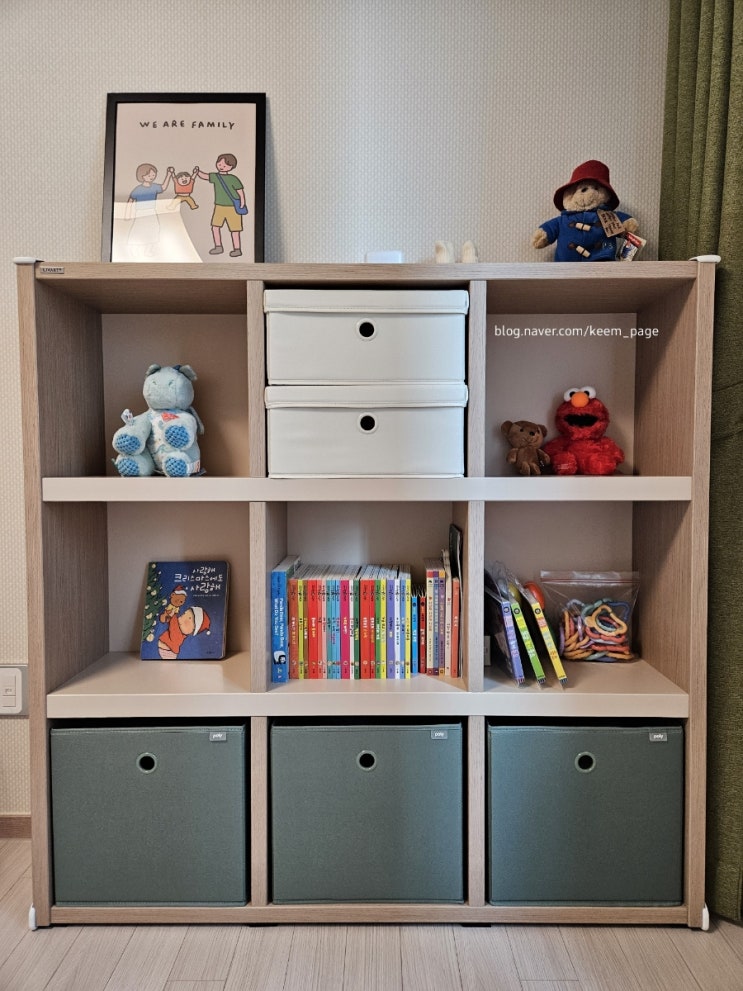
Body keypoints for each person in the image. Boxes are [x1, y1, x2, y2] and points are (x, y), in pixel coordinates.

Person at [195, 153, 247, 257]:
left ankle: (237, 249)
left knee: (235, 229)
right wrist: (197, 172)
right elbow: (205, 176)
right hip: (219, 207)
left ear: (231, 167)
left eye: (225, 165)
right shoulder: (215, 176)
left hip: (232, 207)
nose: (221, 166)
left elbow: (240, 191)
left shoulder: (233, 178)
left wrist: (242, 202)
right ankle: (218, 246)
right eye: (219, 164)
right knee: (215, 227)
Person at [125, 163, 174, 256]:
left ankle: (148, 250)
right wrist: (127, 214)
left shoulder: (154, 187)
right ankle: (134, 249)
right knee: (139, 230)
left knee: (154, 229)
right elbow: (130, 200)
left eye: (153, 175)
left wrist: (169, 175)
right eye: (149, 175)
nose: (152, 177)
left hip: (151, 212)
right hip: (141, 213)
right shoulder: (138, 189)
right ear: (142, 176)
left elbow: (163, 187)